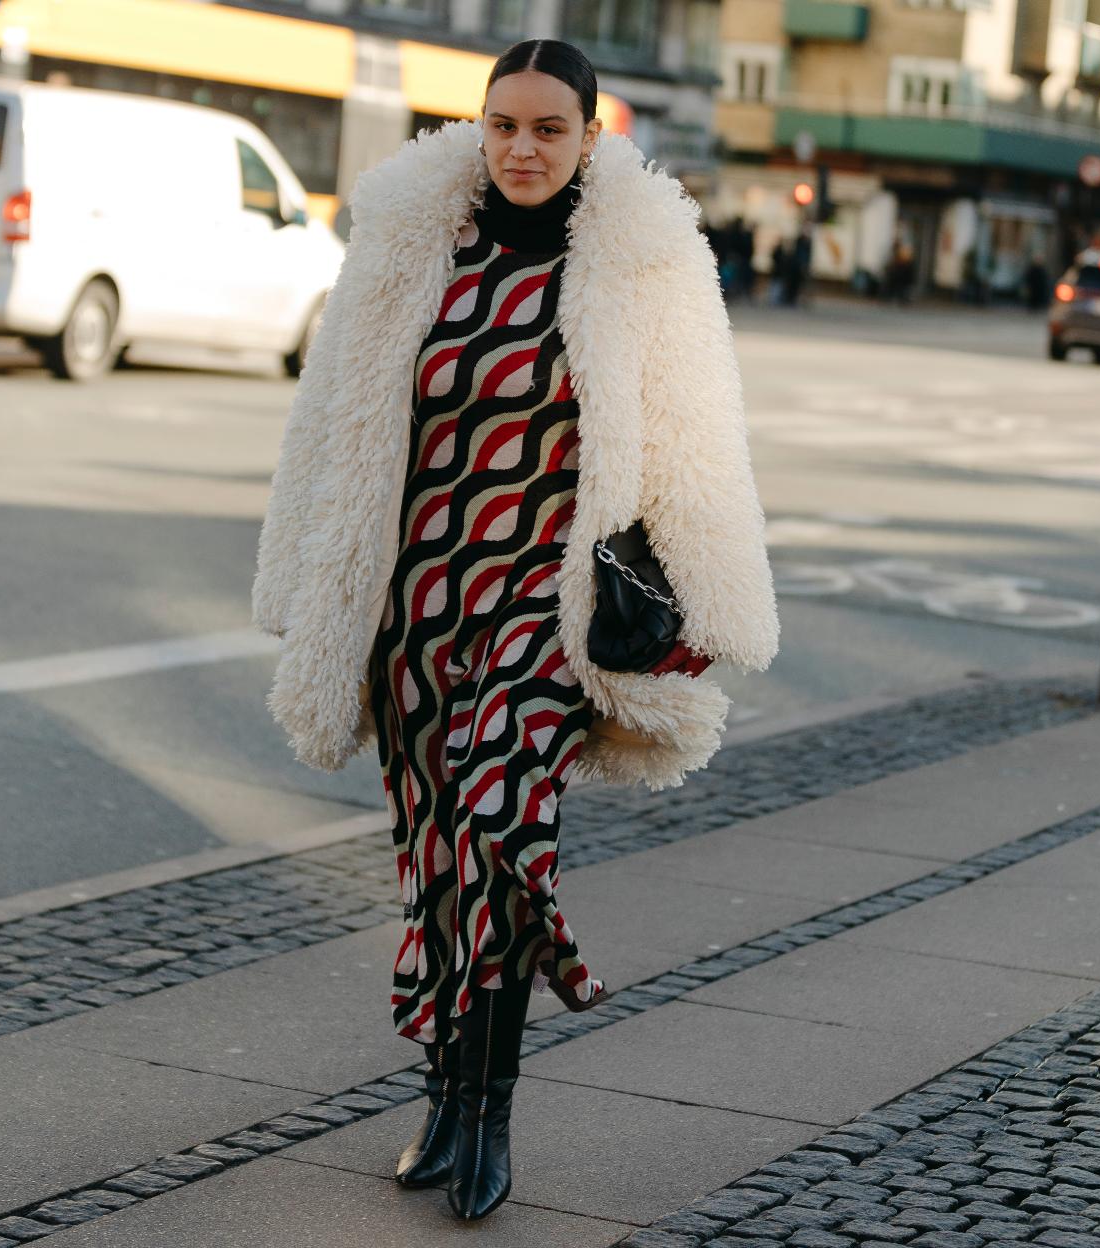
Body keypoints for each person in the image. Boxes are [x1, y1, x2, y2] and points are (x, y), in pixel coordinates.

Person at [251, 38, 778, 1222]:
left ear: (591, 136)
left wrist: (705, 602)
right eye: (504, 126)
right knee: (439, 862)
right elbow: (331, 429)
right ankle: (443, 1096)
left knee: (500, 832)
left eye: (549, 128)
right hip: (416, 609)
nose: (523, 149)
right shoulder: (409, 252)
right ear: (477, 130)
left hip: (545, 614)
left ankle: (489, 1114)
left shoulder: (639, 267)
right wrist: (308, 586)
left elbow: (696, 445)